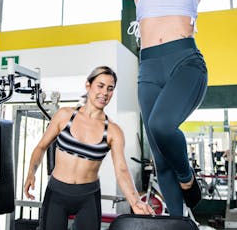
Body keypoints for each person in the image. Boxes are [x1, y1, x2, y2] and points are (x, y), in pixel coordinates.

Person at [107, 0, 219, 216]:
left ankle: (187, 177)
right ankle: (176, 219)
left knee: (160, 125)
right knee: (159, 153)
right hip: (150, 69)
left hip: (184, 62)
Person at [23, 66, 154, 230]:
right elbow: (41, 146)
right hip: (57, 192)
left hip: (88, 197)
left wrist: (135, 201)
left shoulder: (113, 131)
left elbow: (121, 169)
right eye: (100, 86)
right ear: (88, 85)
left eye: (110, 88)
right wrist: (30, 172)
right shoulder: (65, 115)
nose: (105, 93)